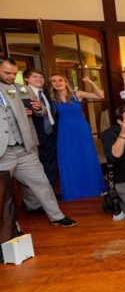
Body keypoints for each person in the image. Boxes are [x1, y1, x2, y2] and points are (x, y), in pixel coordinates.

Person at [0, 58, 75, 227]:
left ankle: (57, 216)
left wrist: (38, 108)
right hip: (3, 152)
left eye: (14, 73)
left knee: (41, 183)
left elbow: (43, 111)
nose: (12, 76)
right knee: (3, 193)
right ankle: (10, 229)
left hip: (25, 147)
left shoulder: (23, 89)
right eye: (7, 73)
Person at [50, 73, 106, 201]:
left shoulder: (77, 94)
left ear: (65, 82)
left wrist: (91, 82)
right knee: (70, 158)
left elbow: (100, 96)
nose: (57, 82)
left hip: (81, 129)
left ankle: (91, 186)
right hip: (64, 131)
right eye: (54, 81)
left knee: (86, 155)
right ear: (51, 84)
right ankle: (74, 188)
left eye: (60, 79)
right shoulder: (51, 99)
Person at [21, 68, 61, 210]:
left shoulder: (44, 93)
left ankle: (49, 195)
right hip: (34, 136)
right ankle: (34, 202)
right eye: (35, 77)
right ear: (26, 79)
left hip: (50, 133)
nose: (39, 79)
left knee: (49, 166)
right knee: (34, 171)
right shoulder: (22, 93)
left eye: (41, 77)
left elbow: (52, 113)